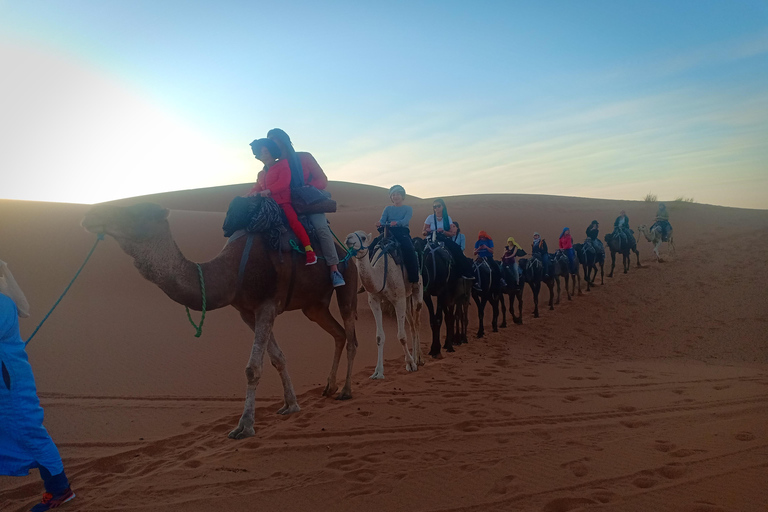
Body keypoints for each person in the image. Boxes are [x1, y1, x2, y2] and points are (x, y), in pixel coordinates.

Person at [0, 261, 76, 511]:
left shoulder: (3, 302)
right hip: (7, 376)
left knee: (30, 432)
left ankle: (60, 489)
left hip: (9, 380)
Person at [266, 129, 345, 287]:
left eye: (274, 139)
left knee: (321, 228)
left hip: (308, 203)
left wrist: (305, 189)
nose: (272, 142)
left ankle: (334, 270)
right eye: (269, 140)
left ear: (283, 140)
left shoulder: (304, 157)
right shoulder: (272, 165)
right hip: (283, 204)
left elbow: (322, 180)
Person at [248, 138, 317, 266]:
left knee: (293, 222)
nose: (264, 155)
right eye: (261, 153)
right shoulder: (261, 174)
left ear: (272, 152)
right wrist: (250, 194)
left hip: (283, 203)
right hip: (267, 206)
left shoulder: (283, 166)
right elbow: (257, 187)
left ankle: (309, 251)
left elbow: (284, 183)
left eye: (266, 152)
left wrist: (269, 190)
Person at [375, 185, 419, 283]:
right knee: (373, 246)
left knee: (409, 249)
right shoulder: (387, 209)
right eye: (393, 195)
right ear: (391, 197)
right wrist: (379, 223)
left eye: (398, 194)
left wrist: (397, 223)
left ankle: (414, 278)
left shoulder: (408, 208)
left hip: (402, 232)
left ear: (402, 196)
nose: (396, 197)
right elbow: (382, 220)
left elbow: (405, 220)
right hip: (388, 231)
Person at [422, 198, 473, 279]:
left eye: (438, 206)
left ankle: (465, 272)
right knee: (417, 249)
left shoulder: (447, 218)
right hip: (430, 238)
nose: (436, 208)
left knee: (457, 249)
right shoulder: (430, 218)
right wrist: (427, 231)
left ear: (443, 207)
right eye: (434, 207)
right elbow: (423, 232)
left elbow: (451, 234)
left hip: (443, 239)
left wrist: (443, 232)